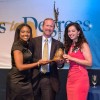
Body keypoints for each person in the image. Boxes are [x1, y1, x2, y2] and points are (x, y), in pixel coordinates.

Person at [6, 23, 48, 100]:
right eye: (23, 32)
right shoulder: (17, 46)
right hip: (17, 81)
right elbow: (20, 67)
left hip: (26, 80)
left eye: (28, 32)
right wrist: (38, 63)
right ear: (18, 33)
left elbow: (29, 60)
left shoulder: (27, 45)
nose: (26, 34)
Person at [30, 18, 64, 100]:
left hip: (50, 79)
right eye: (47, 25)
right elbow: (28, 59)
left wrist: (60, 63)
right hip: (34, 78)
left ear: (53, 28)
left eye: (51, 26)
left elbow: (60, 64)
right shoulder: (33, 41)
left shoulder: (59, 44)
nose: (49, 28)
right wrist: (38, 62)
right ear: (42, 26)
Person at [63, 22, 92, 100]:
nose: (70, 33)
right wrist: (67, 60)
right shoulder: (71, 45)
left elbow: (89, 62)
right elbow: (74, 60)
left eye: (73, 31)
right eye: (69, 31)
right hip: (70, 78)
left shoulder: (83, 44)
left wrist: (72, 58)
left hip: (80, 78)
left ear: (78, 32)